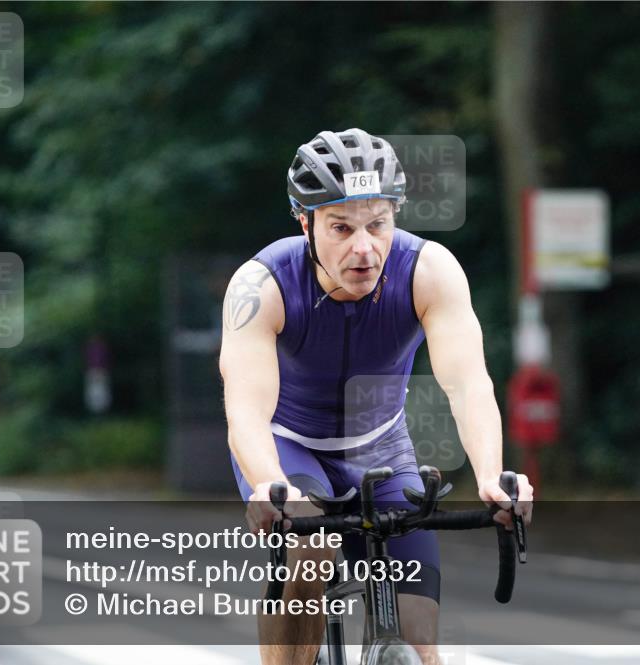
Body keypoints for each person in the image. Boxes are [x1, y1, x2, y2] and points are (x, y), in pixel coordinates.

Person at [220, 128, 533, 665]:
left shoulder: (429, 271)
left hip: (381, 452)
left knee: (419, 640)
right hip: (289, 447)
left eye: (378, 225)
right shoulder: (262, 283)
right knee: (310, 553)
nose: (363, 248)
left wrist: (490, 475)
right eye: (341, 228)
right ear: (306, 223)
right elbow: (246, 408)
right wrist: (269, 484)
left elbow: (467, 381)